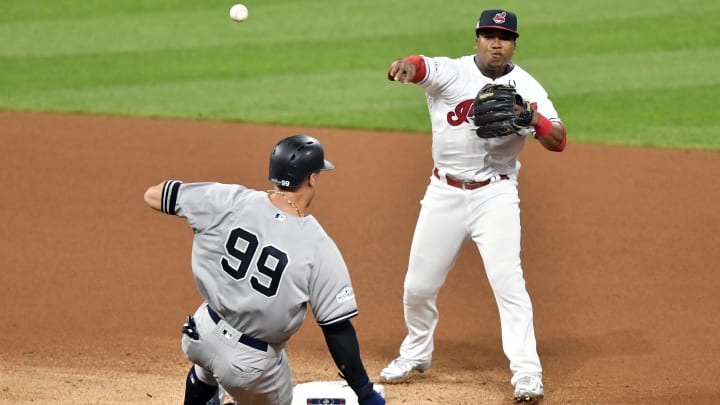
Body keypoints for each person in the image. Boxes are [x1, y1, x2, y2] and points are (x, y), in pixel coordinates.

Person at [379, 9, 566, 403]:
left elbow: (559, 139)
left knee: (509, 285)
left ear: (515, 43)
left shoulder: (526, 85)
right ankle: (416, 353)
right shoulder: (453, 72)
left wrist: (532, 118)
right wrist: (404, 67)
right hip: (443, 192)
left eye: (504, 37)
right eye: (488, 35)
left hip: (495, 195)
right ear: (476, 39)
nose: (496, 43)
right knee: (417, 287)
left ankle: (527, 373)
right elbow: (420, 66)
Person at [144, 135, 385, 405]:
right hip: (249, 366)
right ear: (312, 178)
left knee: (208, 368)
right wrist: (364, 391)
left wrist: (196, 205)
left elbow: (154, 195)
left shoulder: (230, 200)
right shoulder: (318, 246)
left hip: (200, 333)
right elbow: (337, 328)